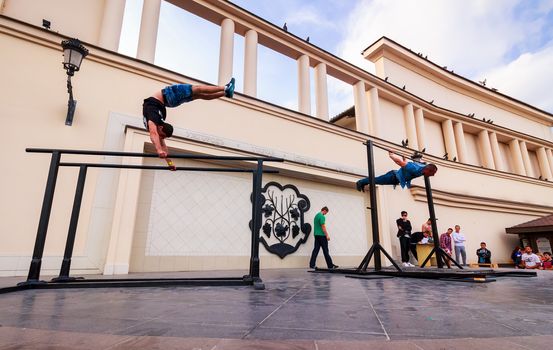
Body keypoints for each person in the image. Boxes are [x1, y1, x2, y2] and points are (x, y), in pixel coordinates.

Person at [142, 78, 236, 168]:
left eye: (161, 135)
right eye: (162, 136)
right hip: (169, 96)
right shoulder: (156, 122)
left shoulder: (153, 121)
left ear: (161, 128)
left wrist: (164, 156)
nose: (160, 137)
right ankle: (225, 88)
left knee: (199, 94)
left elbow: (155, 136)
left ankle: (225, 92)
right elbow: (162, 146)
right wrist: (164, 157)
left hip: (169, 98)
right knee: (197, 90)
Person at [356, 152, 437, 191]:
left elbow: (410, 163)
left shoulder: (423, 167)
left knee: (376, 181)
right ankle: (360, 182)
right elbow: (400, 163)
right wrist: (391, 155)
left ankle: (364, 182)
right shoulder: (415, 168)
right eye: (431, 174)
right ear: (427, 170)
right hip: (393, 177)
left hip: (396, 177)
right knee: (376, 180)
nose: (432, 176)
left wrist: (404, 159)